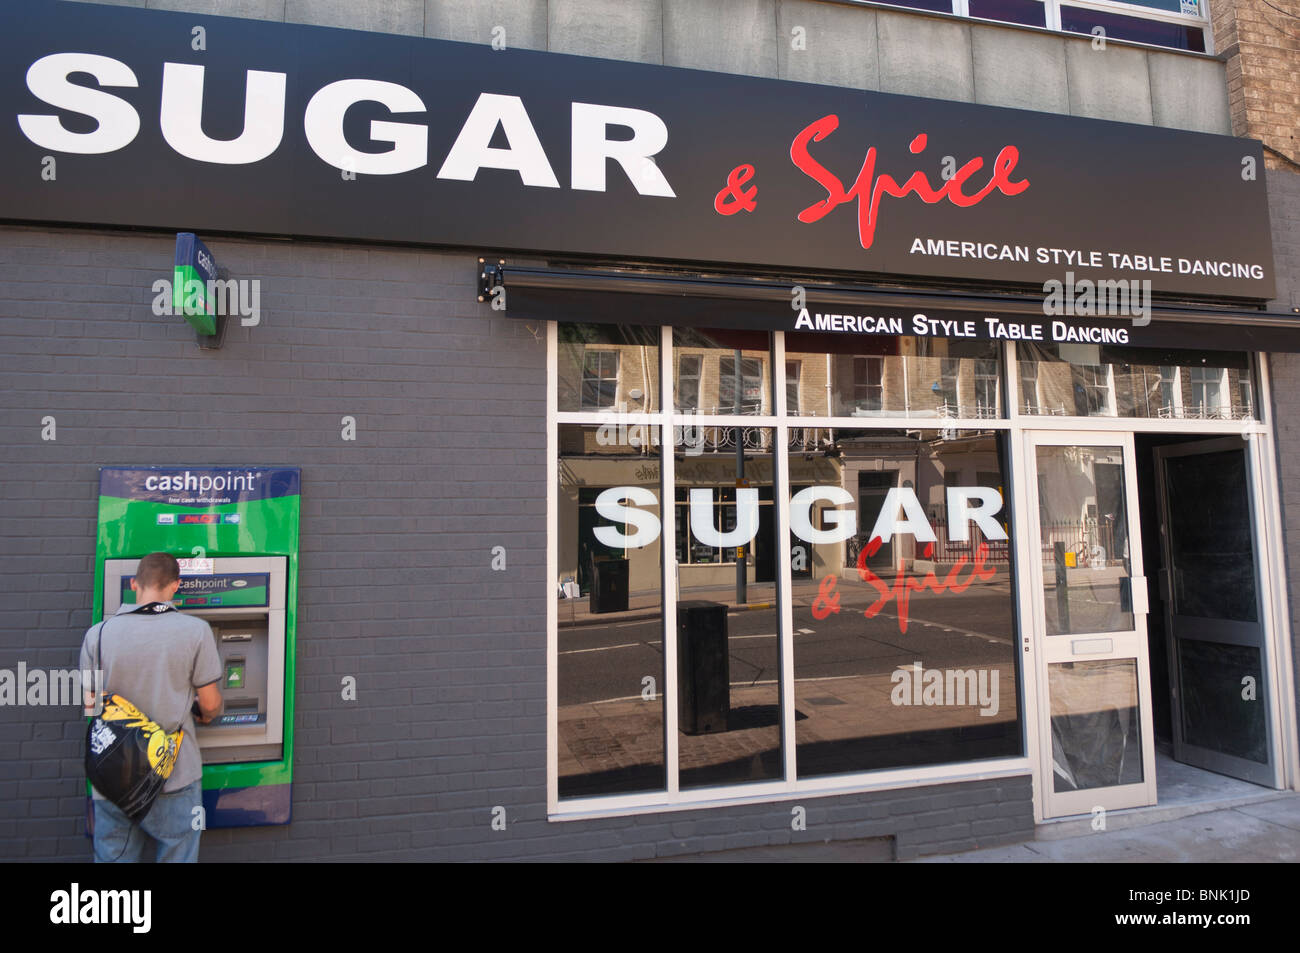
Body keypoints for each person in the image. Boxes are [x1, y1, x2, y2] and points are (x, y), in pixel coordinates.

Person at [80, 552, 222, 862]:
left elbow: (91, 708)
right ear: (175, 587)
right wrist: (202, 712)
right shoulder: (196, 631)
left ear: (134, 584)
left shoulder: (98, 635)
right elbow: (210, 705)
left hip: (112, 776)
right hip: (175, 775)